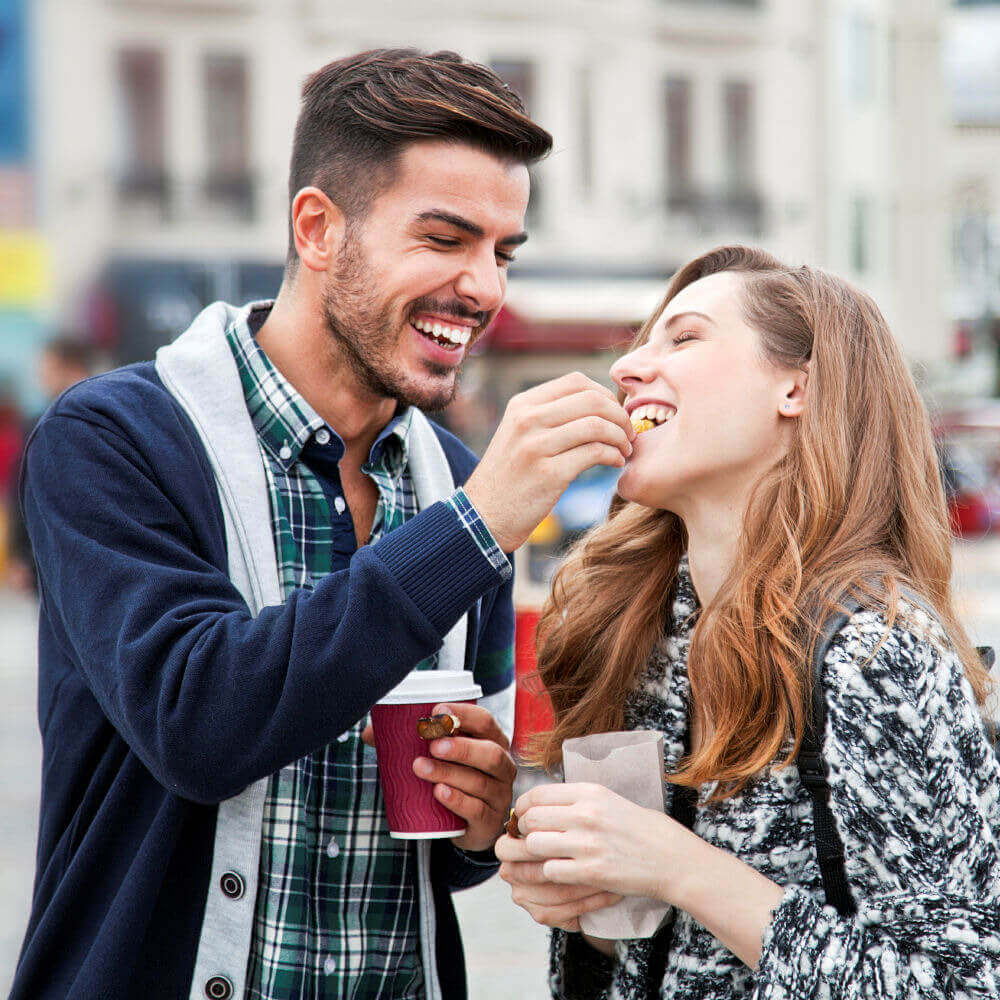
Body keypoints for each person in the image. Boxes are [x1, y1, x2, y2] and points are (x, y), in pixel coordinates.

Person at [11, 49, 636, 1000]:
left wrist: (482, 809)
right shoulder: (112, 437)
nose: (485, 288)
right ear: (318, 229)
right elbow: (200, 726)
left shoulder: (461, 485)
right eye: (444, 238)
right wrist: (476, 527)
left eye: (501, 253)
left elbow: (448, 857)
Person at [496, 245, 1000, 999]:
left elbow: (956, 983)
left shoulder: (878, 652)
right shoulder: (642, 633)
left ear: (796, 388)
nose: (630, 366)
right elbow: (644, 952)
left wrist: (679, 865)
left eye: (684, 337)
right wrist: (586, 911)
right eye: (641, 341)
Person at [5, 336, 98, 592]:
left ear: (69, 365)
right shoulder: (42, 420)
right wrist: (21, 554)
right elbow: (22, 490)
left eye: (47, 368)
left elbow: (23, 490)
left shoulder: (49, 422)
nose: (41, 377)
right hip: (54, 557)